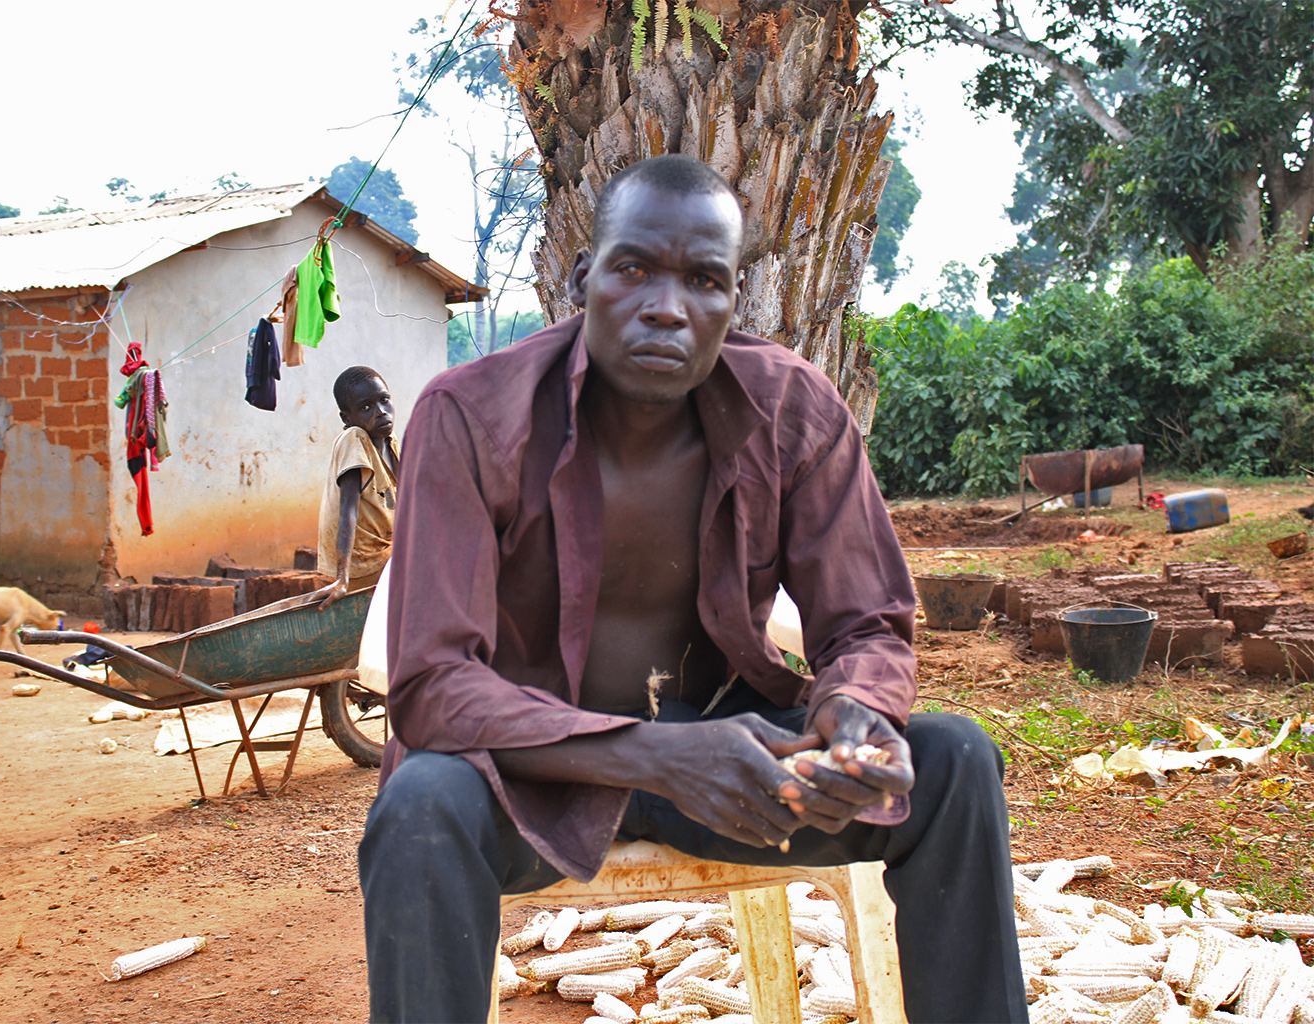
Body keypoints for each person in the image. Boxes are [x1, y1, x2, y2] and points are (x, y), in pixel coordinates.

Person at [359, 155, 1026, 1024]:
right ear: (583, 278)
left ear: (731, 300)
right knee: (419, 806)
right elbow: (432, 687)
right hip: (536, 770)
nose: (668, 306)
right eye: (634, 267)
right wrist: (658, 756)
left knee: (955, 762)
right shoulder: (472, 417)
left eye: (704, 280)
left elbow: (866, 624)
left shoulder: (792, 409)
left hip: (734, 760)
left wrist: (857, 716)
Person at [314, 366, 399, 608]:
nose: (381, 412)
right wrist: (342, 579)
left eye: (384, 400)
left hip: (387, 556)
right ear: (347, 418)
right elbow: (347, 510)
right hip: (364, 564)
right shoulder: (354, 438)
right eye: (366, 407)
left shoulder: (390, 443)